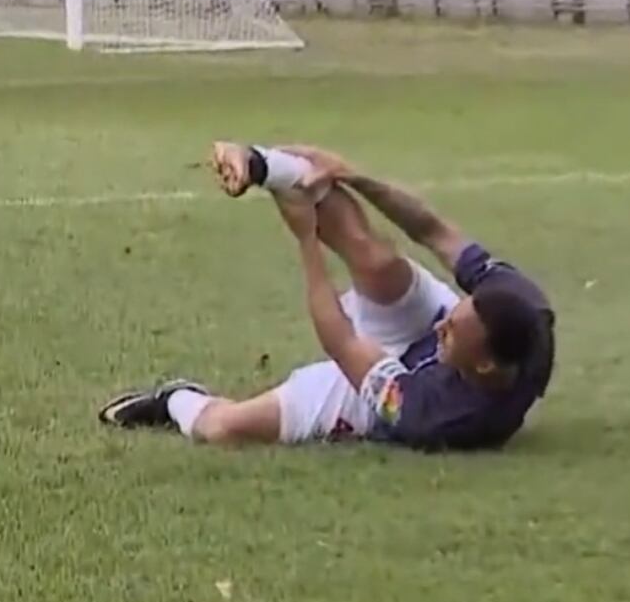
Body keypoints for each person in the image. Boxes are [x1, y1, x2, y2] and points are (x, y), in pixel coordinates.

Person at [97, 143, 554, 451]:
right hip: (423, 359)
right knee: (378, 263)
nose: (442, 324)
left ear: (485, 365)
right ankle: (262, 164)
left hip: (380, 387)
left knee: (225, 428)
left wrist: (306, 241)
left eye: (452, 332)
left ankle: (175, 398)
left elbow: (341, 341)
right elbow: (432, 230)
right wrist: (356, 177)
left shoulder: (430, 415)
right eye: (453, 313)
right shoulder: (520, 304)